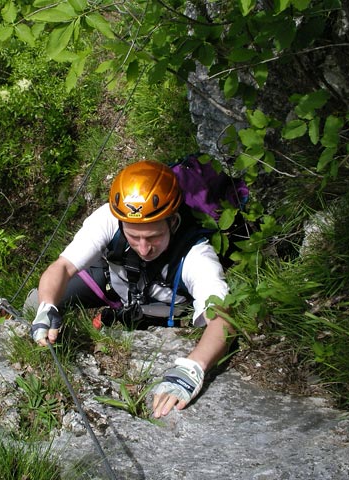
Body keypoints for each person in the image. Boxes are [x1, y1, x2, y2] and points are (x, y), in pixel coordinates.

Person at [28, 160, 235, 418]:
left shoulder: (196, 255)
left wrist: (194, 367)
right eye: (133, 236)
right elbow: (61, 268)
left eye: (153, 237)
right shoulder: (109, 219)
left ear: (173, 222)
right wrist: (47, 306)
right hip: (117, 289)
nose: (144, 248)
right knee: (36, 301)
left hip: (161, 312)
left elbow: (223, 318)